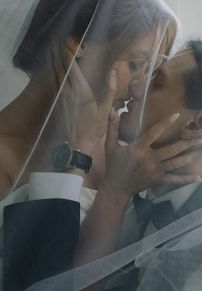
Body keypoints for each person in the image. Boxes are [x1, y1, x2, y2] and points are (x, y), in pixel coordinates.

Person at [1, 1, 191, 290]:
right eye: (136, 64)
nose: (140, 87)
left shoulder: (123, 150)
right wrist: (78, 154)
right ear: (77, 48)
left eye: (150, 70)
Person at [71, 39, 202, 291]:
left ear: (199, 122)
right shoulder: (136, 196)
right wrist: (114, 191)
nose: (136, 88)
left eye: (156, 84)